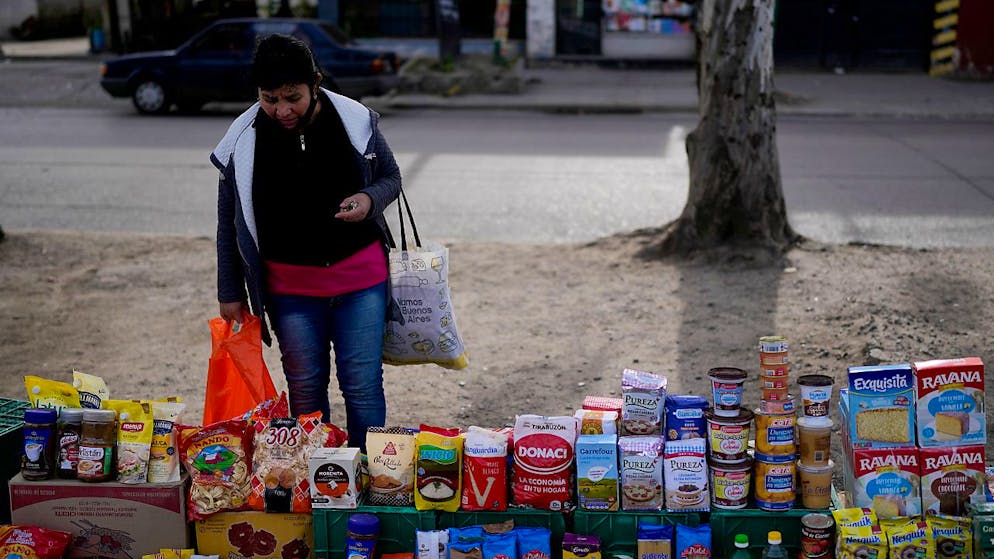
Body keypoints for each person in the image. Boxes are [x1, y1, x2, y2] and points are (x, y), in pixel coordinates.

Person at [210, 34, 400, 451]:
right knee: (306, 392)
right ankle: (319, 481)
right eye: (269, 99)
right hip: (290, 292)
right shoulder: (243, 140)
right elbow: (229, 220)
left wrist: (369, 200)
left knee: (363, 387)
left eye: (292, 97)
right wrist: (230, 291)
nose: (282, 110)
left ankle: (370, 479)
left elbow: (391, 178)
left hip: (360, 282)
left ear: (315, 82)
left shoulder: (354, 121)